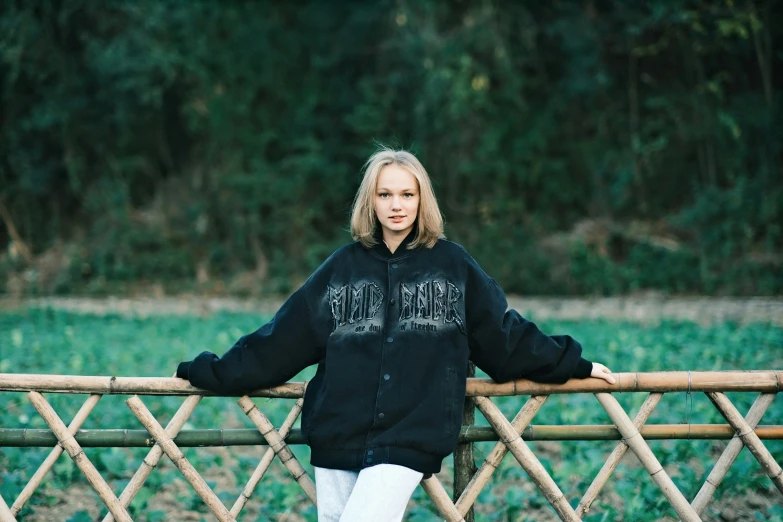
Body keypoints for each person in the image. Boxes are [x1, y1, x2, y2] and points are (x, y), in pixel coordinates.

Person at [174, 148, 615, 522]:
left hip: (409, 436)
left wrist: (574, 363)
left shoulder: (454, 266)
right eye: (385, 194)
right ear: (371, 201)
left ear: (423, 199)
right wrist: (209, 370)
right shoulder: (341, 269)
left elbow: (505, 337)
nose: (396, 204)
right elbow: (281, 340)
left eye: (407, 193)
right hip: (337, 434)